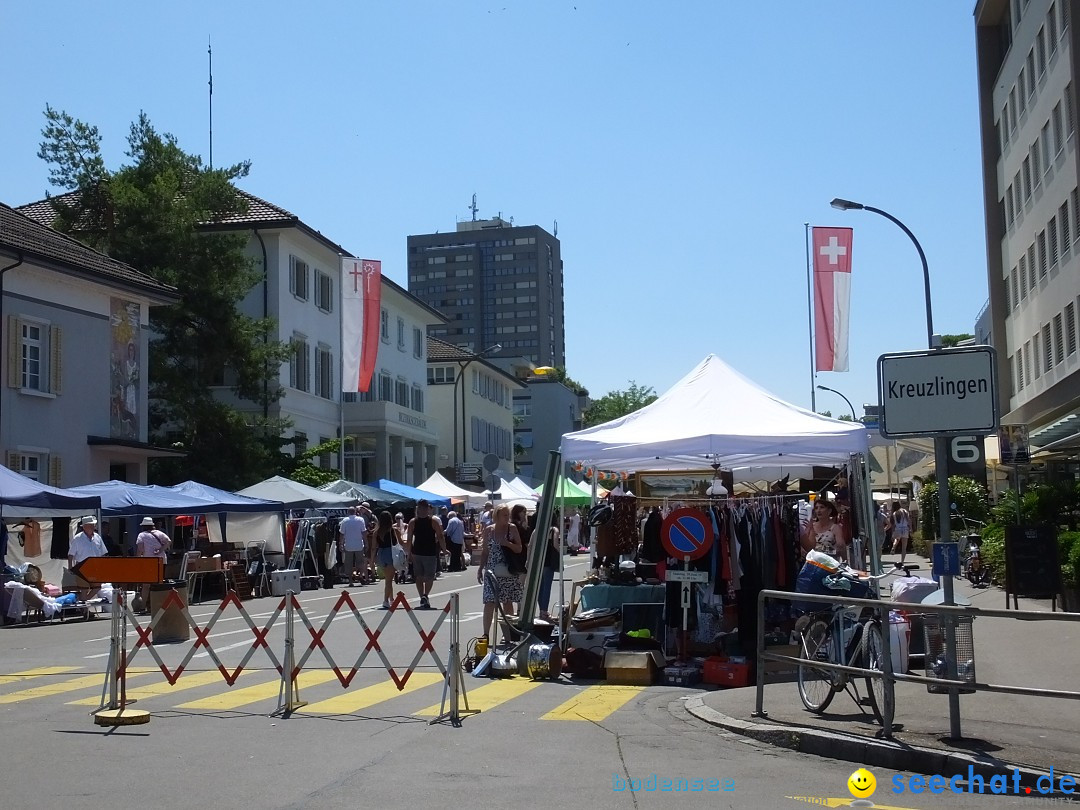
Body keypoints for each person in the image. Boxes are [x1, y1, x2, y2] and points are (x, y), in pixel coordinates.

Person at [478, 504, 523, 642]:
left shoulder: (512, 528)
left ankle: (507, 633)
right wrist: (480, 568)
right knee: (489, 602)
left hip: (508, 571)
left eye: (508, 515)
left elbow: (519, 549)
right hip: (492, 571)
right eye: (504, 515)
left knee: (507, 603)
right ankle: (486, 634)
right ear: (496, 516)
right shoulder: (488, 530)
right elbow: (485, 551)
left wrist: (508, 543)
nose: (507, 517)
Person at [406, 499, 446, 609]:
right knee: (429, 576)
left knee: (418, 576)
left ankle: (422, 597)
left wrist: (408, 553)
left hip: (417, 552)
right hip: (430, 552)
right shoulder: (433, 521)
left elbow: (409, 539)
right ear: (427, 509)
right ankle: (425, 595)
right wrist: (444, 549)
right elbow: (440, 536)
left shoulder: (413, 522)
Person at [135, 517, 171, 610]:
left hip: (149, 562)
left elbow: (140, 548)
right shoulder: (159, 533)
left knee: (146, 585)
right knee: (159, 583)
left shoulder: (141, 535)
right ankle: (159, 605)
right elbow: (168, 542)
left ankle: (143, 606)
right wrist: (160, 550)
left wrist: (138, 559)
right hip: (161, 560)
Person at [68, 515, 108, 600]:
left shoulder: (97, 537)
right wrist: (70, 567)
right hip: (81, 567)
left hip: (95, 567)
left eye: (93, 525)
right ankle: (85, 610)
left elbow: (102, 553)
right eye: (91, 525)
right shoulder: (78, 538)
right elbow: (71, 554)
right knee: (84, 589)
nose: (93, 527)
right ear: (85, 526)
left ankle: (84, 600)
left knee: (97, 587)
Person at [370, 511, 402, 609]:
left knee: (389, 578)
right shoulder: (394, 530)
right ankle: (385, 600)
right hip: (391, 554)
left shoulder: (377, 532)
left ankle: (391, 599)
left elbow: (373, 547)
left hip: (381, 554)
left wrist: (372, 560)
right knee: (388, 580)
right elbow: (401, 543)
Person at [536, 519, 561, 621]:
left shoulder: (538, 530)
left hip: (538, 561)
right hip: (549, 561)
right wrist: (559, 554)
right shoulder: (553, 529)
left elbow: (530, 545)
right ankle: (544, 611)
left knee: (540, 587)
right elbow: (555, 544)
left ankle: (542, 610)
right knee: (547, 586)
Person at [338, 506, 368, 587]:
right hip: (359, 544)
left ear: (348, 513)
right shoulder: (360, 520)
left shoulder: (344, 521)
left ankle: (350, 580)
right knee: (360, 562)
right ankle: (361, 575)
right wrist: (366, 543)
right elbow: (364, 532)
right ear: (355, 512)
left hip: (348, 545)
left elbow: (342, 534)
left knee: (349, 563)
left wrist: (341, 543)